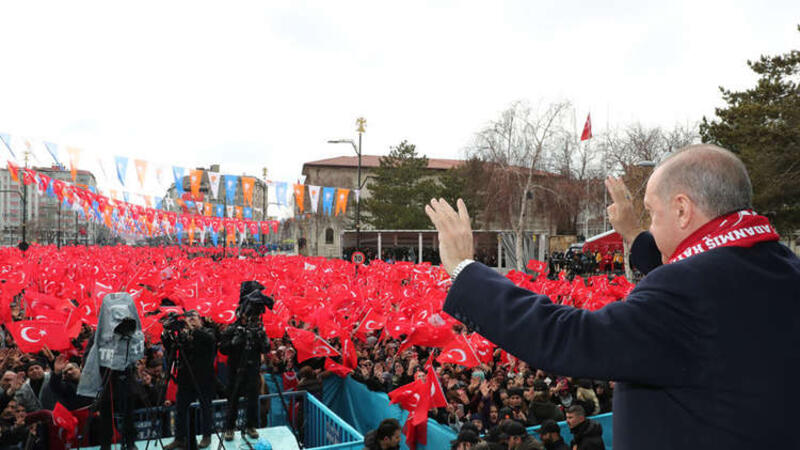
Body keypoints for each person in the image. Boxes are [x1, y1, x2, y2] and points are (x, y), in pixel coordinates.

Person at [425, 144, 800, 450]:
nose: (651, 226)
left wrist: (465, 270)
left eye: (652, 214)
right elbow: (699, 277)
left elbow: (570, 336)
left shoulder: (686, 293)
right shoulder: (780, 266)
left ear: (682, 209)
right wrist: (634, 233)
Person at [219, 281, 271, 441]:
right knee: (233, 399)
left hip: (252, 369)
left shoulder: (258, 329)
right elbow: (223, 349)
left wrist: (262, 338)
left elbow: (266, 349)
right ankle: (229, 428)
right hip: (235, 370)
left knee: (252, 399)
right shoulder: (232, 328)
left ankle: (251, 426)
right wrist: (235, 341)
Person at [163, 311, 217, 450]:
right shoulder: (182, 335)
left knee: (206, 408)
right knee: (180, 408)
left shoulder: (208, 332)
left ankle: (206, 436)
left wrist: (192, 330)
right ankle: (179, 439)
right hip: (185, 378)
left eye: (194, 318)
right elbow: (170, 348)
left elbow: (210, 340)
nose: (190, 320)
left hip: (204, 378)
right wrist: (167, 333)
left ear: (201, 320)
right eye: (188, 318)